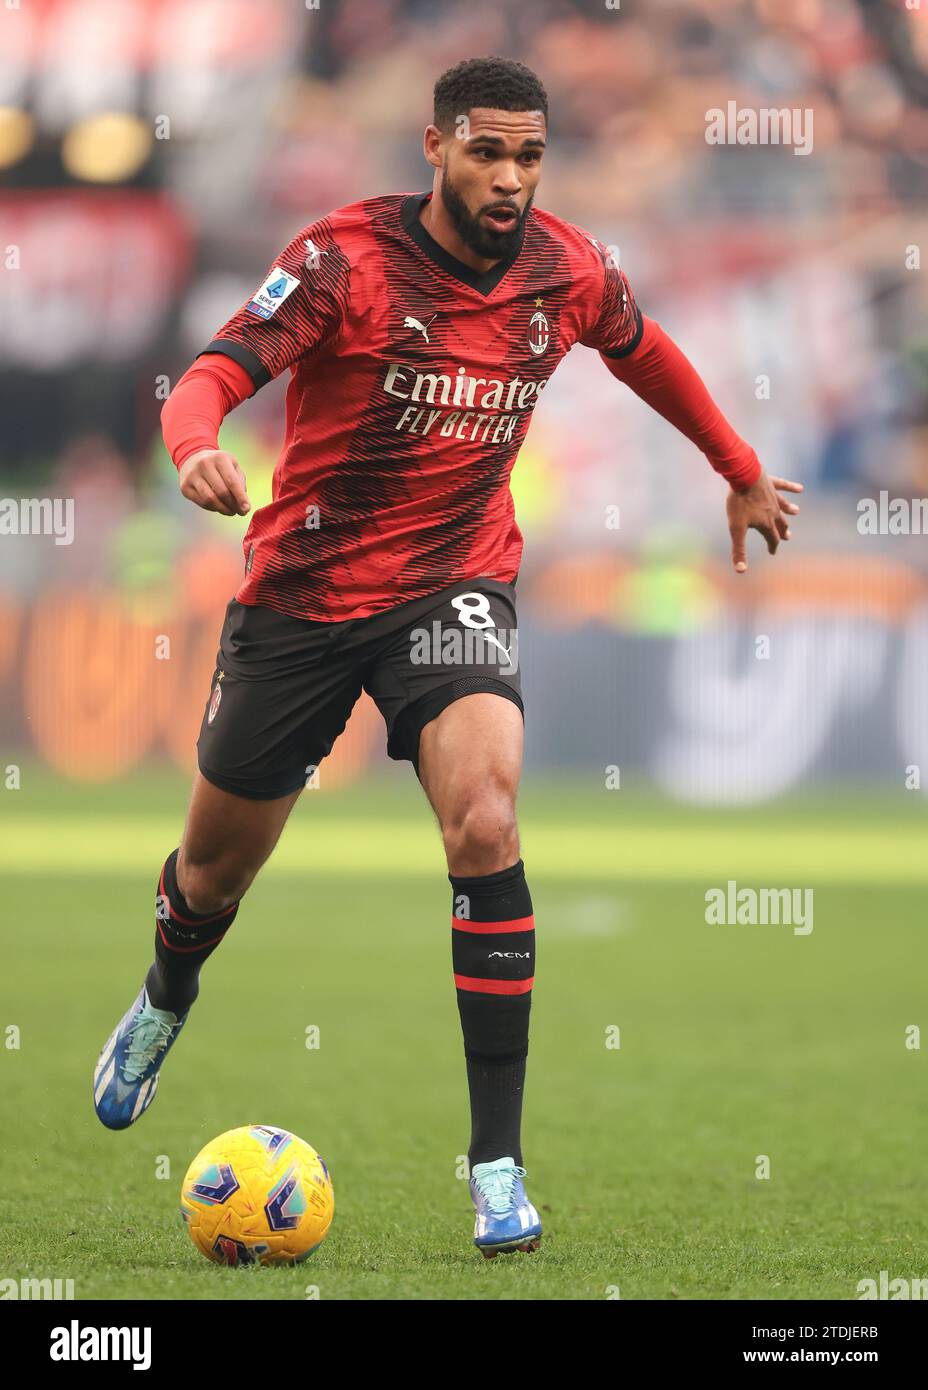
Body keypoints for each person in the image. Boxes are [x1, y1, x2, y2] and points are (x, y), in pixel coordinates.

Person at [93, 55, 801, 1259]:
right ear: (435, 148)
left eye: (530, 155)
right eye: (487, 151)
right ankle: (165, 997)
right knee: (212, 875)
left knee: (485, 821)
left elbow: (648, 354)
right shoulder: (343, 259)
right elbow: (216, 367)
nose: (511, 177)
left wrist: (736, 466)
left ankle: (497, 1165)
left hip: (453, 587)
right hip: (304, 598)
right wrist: (195, 441)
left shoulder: (566, 269)